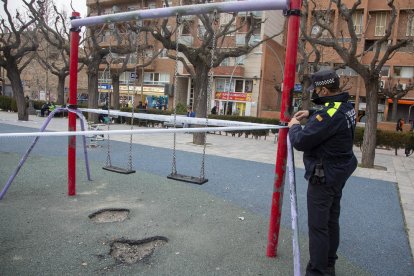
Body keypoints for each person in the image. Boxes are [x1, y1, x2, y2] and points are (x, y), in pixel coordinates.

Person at [288, 68, 357, 276]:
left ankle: (318, 271)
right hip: (339, 171)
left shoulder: (329, 115)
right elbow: (331, 111)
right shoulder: (346, 105)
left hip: (324, 175)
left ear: (325, 90)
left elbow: (301, 141)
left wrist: (294, 126)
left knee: (318, 227)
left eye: (317, 90)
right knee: (331, 220)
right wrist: (311, 112)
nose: (316, 94)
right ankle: (329, 263)